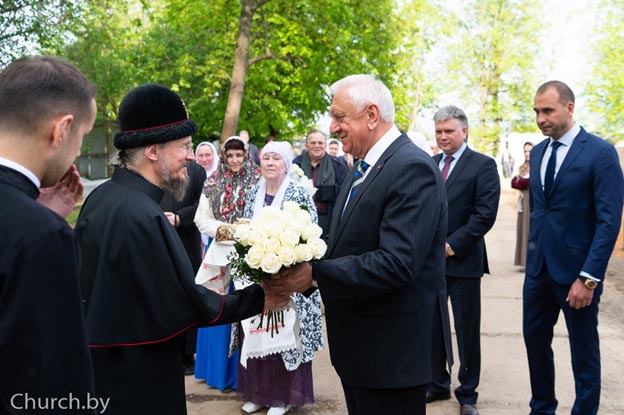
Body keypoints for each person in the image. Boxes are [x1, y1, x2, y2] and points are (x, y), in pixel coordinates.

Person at [75, 84, 287, 414]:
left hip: (103, 370)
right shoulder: (144, 215)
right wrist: (261, 297)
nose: (191, 156)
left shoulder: (101, 198)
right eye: (185, 146)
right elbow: (186, 303)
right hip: (141, 377)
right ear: (153, 151)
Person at [276, 74, 449, 415]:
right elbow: (345, 240)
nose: (332, 127)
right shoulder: (363, 167)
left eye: (339, 117)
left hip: (391, 358)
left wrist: (315, 274)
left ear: (371, 115)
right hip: (361, 353)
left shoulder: (411, 167)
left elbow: (397, 263)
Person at [0, 55, 99, 414]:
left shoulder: (34, 225)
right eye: (82, 137)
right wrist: (39, 224)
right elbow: (55, 381)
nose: (78, 150)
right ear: (62, 130)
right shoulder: (43, 236)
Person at [523, 80, 623, 415]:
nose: (540, 118)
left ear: (569, 108)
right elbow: (542, 210)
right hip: (538, 271)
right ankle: (542, 408)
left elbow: (609, 222)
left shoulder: (600, 152)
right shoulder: (539, 152)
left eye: (547, 111)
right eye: (536, 111)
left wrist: (589, 278)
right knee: (535, 345)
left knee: (584, 353)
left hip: (578, 276)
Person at [235, 141, 323, 415]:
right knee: (258, 335)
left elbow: (310, 231)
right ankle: (260, 394)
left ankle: (282, 397)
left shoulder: (298, 192)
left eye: (276, 158)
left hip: (290, 279)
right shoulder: (254, 191)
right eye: (266, 158)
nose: (270, 163)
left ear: (286, 164)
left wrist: (287, 266)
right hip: (259, 276)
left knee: (284, 336)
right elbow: (244, 229)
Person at [428, 105, 501, 415]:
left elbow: (484, 215)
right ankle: (437, 383)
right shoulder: (430, 164)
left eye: (449, 131)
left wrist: (451, 246)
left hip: (464, 263)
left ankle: (467, 393)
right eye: (439, 131)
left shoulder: (483, 165)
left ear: (464, 131)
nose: (443, 136)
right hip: (431, 265)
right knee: (433, 327)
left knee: (466, 330)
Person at [193, 136, 261, 392]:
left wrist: (247, 234)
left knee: (247, 307)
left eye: (239, 155)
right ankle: (219, 372)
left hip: (251, 250)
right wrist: (230, 231)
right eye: (230, 155)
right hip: (220, 250)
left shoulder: (257, 180)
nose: (234, 160)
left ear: (246, 155)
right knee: (218, 305)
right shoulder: (213, 182)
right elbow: (201, 219)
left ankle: (245, 374)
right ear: (223, 157)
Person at [160, 154, 207, 376]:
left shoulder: (196, 172)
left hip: (186, 239)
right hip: (160, 235)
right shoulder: (158, 167)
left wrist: (179, 218)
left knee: (188, 294)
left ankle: (188, 353)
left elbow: (201, 205)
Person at [293, 129, 348, 241]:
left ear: (325, 145)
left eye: (320, 143)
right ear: (306, 145)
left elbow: (344, 195)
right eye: (313, 143)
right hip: (300, 220)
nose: (317, 146)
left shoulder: (338, 165)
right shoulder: (296, 165)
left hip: (328, 220)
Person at [511, 141, 533, 269]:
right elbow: (514, 183)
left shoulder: (538, 166)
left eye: (530, 151)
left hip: (533, 201)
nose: (527, 153)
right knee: (522, 229)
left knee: (530, 229)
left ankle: (531, 262)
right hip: (523, 201)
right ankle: (524, 261)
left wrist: (522, 182)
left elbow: (529, 182)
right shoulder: (523, 166)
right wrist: (522, 182)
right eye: (525, 151)